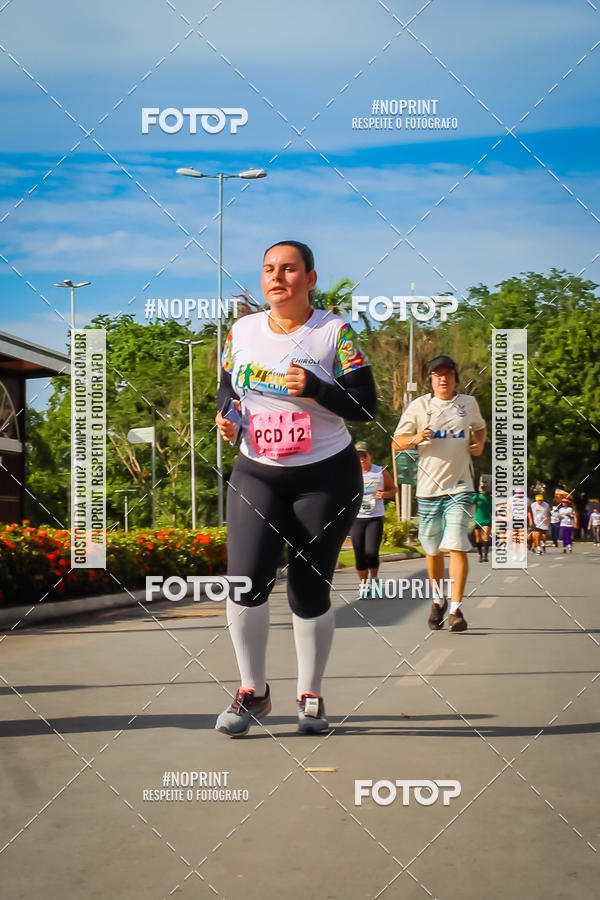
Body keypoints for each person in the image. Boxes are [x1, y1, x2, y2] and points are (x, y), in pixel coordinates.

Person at [214, 240, 377, 736]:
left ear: (310, 278)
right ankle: (253, 691)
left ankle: (310, 694)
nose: (276, 277)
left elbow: (366, 404)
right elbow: (227, 387)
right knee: (245, 582)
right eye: (269, 269)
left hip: (325, 476)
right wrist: (227, 416)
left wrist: (316, 388)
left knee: (308, 589)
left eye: (288, 269)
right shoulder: (242, 330)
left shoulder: (334, 332)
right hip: (257, 471)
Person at [392, 355, 486, 632]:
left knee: (456, 545)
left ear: (455, 378)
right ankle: (438, 599)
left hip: (460, 487)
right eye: (437, 374)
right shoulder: (419, 406)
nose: (443, 379)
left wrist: (479, 445)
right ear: (431, 379)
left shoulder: (468, 404)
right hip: (428, 489)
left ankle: (456, 609)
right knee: (432, 550)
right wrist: (416, 437)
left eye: (447, 374)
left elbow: (480, 428)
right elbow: (397, 441)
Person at [351, 441, 398, 595]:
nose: (361, 459)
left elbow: (393, 489)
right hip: (356, 518)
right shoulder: (350, 473)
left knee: (371, 552)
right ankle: (364, 586)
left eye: (364, 455)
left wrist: (384, 494)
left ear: (370, 456)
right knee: (359, 555)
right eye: (358, 456)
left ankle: (375, 580)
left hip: (374, 517)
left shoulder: (380, 471)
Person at [472, 479, 492, 562]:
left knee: (486, 536)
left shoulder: (491, 499)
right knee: (478, 538)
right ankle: (480, 555)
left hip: (487, 520)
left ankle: (485, 556)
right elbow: (470, 503)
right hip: (478, 520)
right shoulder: (476, 497)